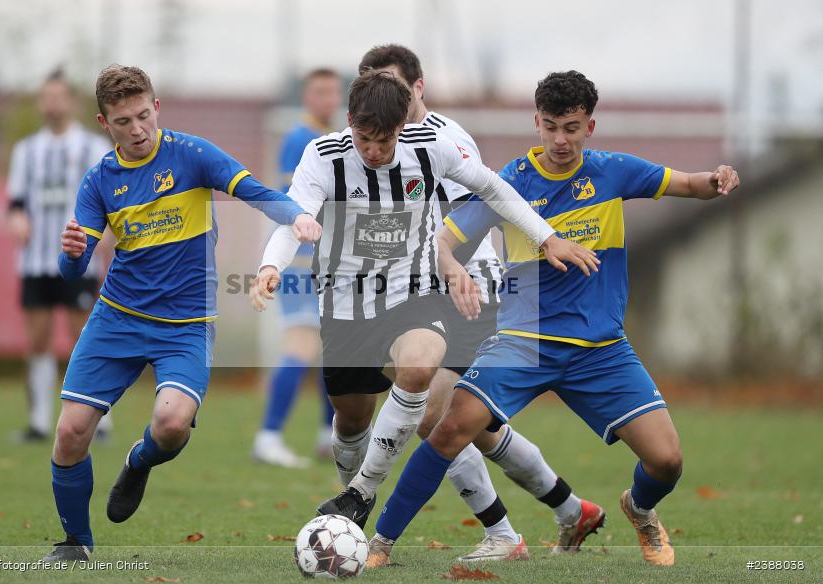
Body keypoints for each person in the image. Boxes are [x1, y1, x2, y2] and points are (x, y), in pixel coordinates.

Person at [369, 70, 740, 568]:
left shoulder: (614, 171)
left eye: (571, 127)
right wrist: (454, 269)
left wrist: (716, 182)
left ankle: (640, 508)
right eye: (550, 127)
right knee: (451, 427)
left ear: (590, 125)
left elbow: (689, 184)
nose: (560, 139)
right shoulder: (512, 183)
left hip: (601, 350)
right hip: (523, 342)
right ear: (536, 123)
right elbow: (441, 242)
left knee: (667, 461)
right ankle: (381, 544)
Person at [250, 70, 597, 536]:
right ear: (349, 120)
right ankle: (354, 501)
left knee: (425, 376)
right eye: (364, 139)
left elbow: (492, 189)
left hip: (415, 294)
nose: (373, 151)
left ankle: (365, 494)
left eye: (385, 141)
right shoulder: (324, 155)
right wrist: (271, 266)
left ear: (404, 125)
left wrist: (546, 237)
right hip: (345, 308)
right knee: (351, 423)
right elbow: (293, 216)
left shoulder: (431, 147)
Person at [43, 64, 321, 562]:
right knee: (69, 431)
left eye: (144, 115)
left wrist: (296, 214)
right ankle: (75, 545)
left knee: (171, 425)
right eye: (124, 121)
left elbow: (256, 192)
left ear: (157, 107)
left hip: (186, 325)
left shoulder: (191, 155)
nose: (137, 129)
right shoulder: (99, 182)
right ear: (104, 124)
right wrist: (68, 254)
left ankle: (139, 461)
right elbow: (73, 273)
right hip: (117, 318)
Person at [356, 45, 605, 561]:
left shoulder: (445, 141)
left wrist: (445, 265)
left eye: (392, 87)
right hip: (424, 294)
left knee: (442, 418)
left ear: (416, 89)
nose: (381, 100)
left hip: (471, 290)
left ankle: (505, 535)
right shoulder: (379, 148)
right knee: (467, 424)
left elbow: (481, 209)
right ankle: (568, 510)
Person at [6, 68, 113, 443]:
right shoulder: (26, 151)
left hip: (79, 258)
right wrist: (18, 220)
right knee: (36, 340)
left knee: (83, 335)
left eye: (59, 96)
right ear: (41, 102)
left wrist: (109, 238)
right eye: (46, 96)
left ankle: (99, 417)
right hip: (35, 260)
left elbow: (110, 200)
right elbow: (16, 203)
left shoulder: (93, 149)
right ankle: (38, 422)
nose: (52, 103)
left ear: (70, 101)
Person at [252, 68, 341, 468]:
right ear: (307, 97)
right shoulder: (299, 139)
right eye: (319, 91)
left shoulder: (331, 138)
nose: (328, 99)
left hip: (329, 267)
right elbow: (296, 203)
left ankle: (329, 435)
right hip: (301, 266)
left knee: (331, 351)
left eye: (333, 92)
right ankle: (268, 436)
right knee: (302, 347)